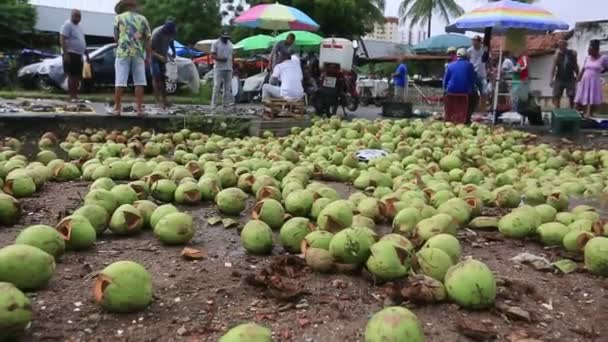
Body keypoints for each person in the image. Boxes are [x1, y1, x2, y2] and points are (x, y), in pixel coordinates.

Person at [112, 0, 151, 116]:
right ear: (134, 6)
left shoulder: (118, 18)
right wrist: (148, 56)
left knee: (120, 81)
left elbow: (115, 37)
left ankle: (117, 108)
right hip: (138, 53)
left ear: (124, 6)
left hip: (123, 52)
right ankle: (139, 109)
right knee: (139, 82)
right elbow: (148, 38)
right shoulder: (143, 19)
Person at [575, 40, 608, 118]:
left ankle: (590, 113)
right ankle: (581, 113)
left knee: (591, 97)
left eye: (590, 50)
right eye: (588, 50)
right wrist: (578, 78)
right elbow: (583, 68)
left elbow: (606, 67)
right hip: (585, 80)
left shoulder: (603, 58)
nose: (588, 52)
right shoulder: (587, 58)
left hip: (594, 81)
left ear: (596, 50)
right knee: (581, 97)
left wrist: (602, 71)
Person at [60, 9, 88, 102]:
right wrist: (66, 54)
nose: (77, 18)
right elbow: (63, 38)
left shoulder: (79, 27)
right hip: (71, 53)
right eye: (76, 16)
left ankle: (75, 96)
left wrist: (86, 54)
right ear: (71, 15)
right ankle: (71, 96)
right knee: (72, 75)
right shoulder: (68, 24)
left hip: (79, 54)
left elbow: (82, 41)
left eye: (79, 16)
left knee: (78, 76)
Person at [444, 48, 477, 123]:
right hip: (465, 91)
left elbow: (445, 81)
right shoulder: (470, 65)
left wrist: (445, 90)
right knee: (474, 97)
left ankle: (447, 116)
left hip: (451, 91)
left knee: (445, 96)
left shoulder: (449, 65)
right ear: (466, 56)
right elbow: (472, 80)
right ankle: (468, 117)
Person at [150, 20, 177, 109]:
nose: (169, 34)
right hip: (154, 57)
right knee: (156, 77)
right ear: (165, 29)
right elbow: (150, 49)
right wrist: (159, 56)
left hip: (163, 56)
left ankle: (164, 100)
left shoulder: (171, 31)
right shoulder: (156, 34)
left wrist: (173, 51)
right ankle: (157, 100)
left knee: (163, 78)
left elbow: (171, 41)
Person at [551, 39, 579, 109]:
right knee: (556, 95)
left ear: (566, 45)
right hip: (559, 78)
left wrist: (578, 75)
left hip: (570, 78)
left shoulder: (572, 53)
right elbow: (553, 67)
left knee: (572, 96)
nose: (561, 46)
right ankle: (557, 110)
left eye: (562, 44)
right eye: (559, 45)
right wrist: (551, 79)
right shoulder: (557, 55)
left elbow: (575, 65)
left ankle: (572, 110)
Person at [210, 29, 234, 109]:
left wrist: (233, 66)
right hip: (219, 68)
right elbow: (212, 55)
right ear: (221, 36)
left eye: (227, 37)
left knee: (227, 87)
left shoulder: (230, 44)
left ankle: (225, 104)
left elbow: (232, 56)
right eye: (224, 37)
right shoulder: (216, 43)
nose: (225, 39)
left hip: (229, 68)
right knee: (216, 86)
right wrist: (220, 59)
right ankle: (214, 104)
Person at [467, 36, 488, 110]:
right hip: (473, 74)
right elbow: (467, 62)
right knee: (472, 92)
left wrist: (491, 70)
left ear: (479, 42)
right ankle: (473, 108)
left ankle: (483, 109)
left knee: (484, 92)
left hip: (482, 74)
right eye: (474, 41)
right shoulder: (469, 51)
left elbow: (488, 60)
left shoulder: (484, 50)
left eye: (476, 41)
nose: (475, 42)